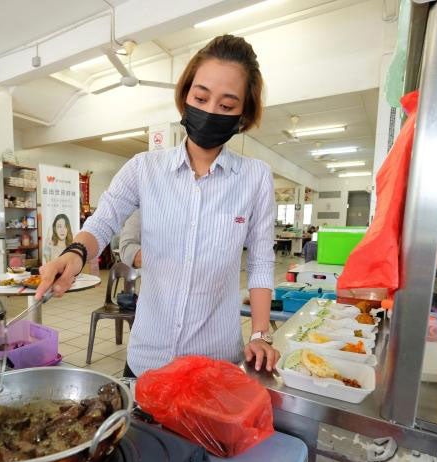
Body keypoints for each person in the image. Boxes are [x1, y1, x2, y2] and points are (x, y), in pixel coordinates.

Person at [36, 34, 279, 376]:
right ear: (185, 97)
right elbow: (103, 223)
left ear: (243, 114)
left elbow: (261, 261)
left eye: (226, 106)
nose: (210, 111)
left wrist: (260, 334)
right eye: (201, 97)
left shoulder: (255, 178)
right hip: (148, 359)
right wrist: (74, 253)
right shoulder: (143, 168)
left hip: (215, 361)